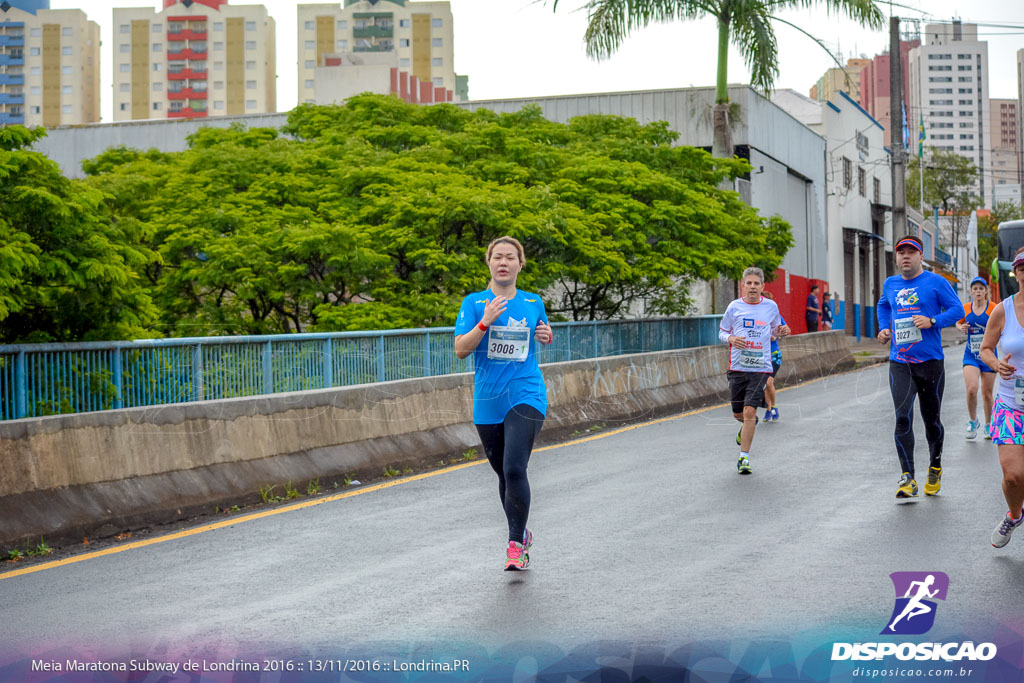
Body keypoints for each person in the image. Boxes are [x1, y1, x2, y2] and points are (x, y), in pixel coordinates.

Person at [454, 236, 553, 570]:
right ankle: (520, 531)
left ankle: (514, 547)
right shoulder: (474, 303)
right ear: (489, 262)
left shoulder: (533, 301)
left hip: (526, 393)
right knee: (503, 474)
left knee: (514, 467)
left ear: (520, 264)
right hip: (488, 400)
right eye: (498, 257)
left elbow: (542, 330)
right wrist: (485, 321)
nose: (504, 262)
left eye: (511, 257)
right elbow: (461, 349)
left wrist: (546, 334)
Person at [876, 235, 963, 500]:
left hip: (930, 363)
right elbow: (883, 305)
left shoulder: (936, 282)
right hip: (900, 363)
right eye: (901, 252)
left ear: (920, 256)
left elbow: (957, 310)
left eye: (911, 252)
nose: (905, 256)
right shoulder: (890, 284)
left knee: (931, 420)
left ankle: (935, 466)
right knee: (902, 417)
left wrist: (932, 320)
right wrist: (883, 328)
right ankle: (907, 477)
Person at [719, 267, 791, 473]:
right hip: (737, 367)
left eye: (756, 283)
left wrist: (782, 331)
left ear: (762, 286)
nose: (752, 287)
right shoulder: (734, 307)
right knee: (738, 414)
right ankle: (749, 423)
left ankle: (744, 458)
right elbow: (722, 332)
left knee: (750, 410)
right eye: (749, 283)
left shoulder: (771, 307)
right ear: (743, 285)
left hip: (760, 367)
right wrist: (731, 338)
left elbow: (777, 329)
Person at [979, 248, 1024, 547]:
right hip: (1011, 401)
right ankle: (1015, 514)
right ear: (1016, 273)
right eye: (1022, 267)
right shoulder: (1003, 310)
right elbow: (985, 348)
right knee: (1013, 476)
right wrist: (996, 364)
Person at [956, 276, 996, 440]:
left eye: (981, 288)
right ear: (971, 291)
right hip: (971, 354)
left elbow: (1001, 324)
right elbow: (957, 322)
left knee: (987, 393)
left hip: (989, 355)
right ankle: (973, 421)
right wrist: (961, 327)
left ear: (986, 291)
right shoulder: (965, 308)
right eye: (975, 288)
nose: (978, 291)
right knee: (971, 389)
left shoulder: (993, 308)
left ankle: (988, 424)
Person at [761, 291, 785, 423]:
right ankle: (768, 409)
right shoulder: (756, 317)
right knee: (765, 385)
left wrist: (774, 335)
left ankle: (774, 407)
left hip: (774, 355)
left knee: (769, 382)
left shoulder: (776, 316)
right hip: (761, 356)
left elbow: (782, 329)